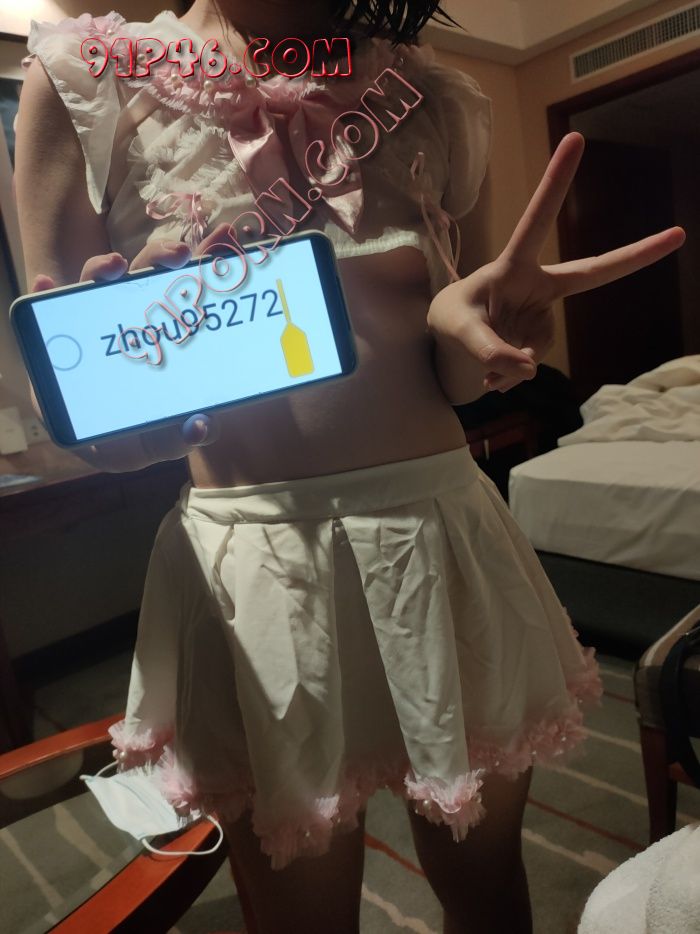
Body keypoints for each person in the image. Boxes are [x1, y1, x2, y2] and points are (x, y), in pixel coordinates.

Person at [14, 2, 684, 932]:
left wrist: (484, 334)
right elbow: (82, 407)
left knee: (489, 892)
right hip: (257, 567)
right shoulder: (87, 79)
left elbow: (450, 372)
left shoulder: (429, 90)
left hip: (441, 539)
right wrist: (139, 403)